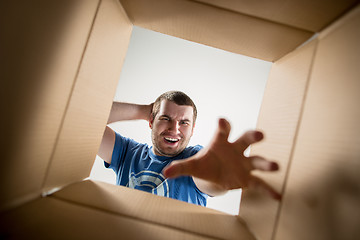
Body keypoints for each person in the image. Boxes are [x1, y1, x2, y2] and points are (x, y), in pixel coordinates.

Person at [98, 91, 281, 207]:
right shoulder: (127, 152)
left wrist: (219, 177)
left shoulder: (196, 159)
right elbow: (85, 119)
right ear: (151, 121)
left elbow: (207, 178)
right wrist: (145, 110)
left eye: (184, 122)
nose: (174, 129)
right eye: (165, 118)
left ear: (192, 130)